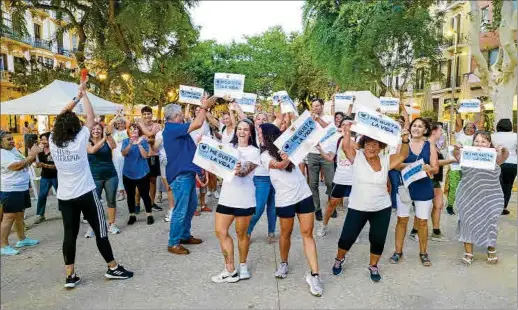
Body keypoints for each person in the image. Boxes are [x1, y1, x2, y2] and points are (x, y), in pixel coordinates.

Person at [49, 84, 133, 288]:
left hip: (65, 196)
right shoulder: (79, 139)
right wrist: (83, 96)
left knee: (69, 234)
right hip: (85, 192)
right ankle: (113, 267)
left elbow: (62, 115)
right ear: (74, 127)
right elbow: (91, 116)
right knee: (101, 229)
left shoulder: (52, 140)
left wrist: (75, 99)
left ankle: (70, 276)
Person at [331, 123, 410, 282]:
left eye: (375, 144)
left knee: (378, 239)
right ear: (363, 145)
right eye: (368, 144)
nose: (371, 148)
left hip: (381, 208)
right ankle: (339, 259)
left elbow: (402, 155)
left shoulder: (386, 159)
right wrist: (347, 132)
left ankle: (373, 265)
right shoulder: (357, 157)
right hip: (358, 207)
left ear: (380, 147)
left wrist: (405, 140)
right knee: (347, 238)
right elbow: (346, 148)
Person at [258, 123, 322, 297]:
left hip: (303, 195)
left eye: (261, 133)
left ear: (269, 135)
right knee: (285, 233)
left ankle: (315, 275)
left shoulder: (288, 147)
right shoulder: (263, 155)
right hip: (285, 199)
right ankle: (284, 263)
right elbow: (279, 166)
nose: (259, 136)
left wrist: (301, 147)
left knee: (307, 233)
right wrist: (288, 158)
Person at [163, 96, 215, 255]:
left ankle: (184, 235)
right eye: (180, 114)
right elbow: (198, 123)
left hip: (187, 174)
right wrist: (204, 107)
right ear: (175, 116)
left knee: (191, 206)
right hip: (180, 176)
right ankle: (173, 242)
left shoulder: (175, 128)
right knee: (181, 209)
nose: (182, 116)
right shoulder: (172, 128)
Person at [211, 118, 260, 283]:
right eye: (240, 128)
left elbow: (245, 171)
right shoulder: (228, 147)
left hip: (244, 199)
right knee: (220, 231)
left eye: (246, 129)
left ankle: (243, 265)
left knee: (241, 234)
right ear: (235, 131)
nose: (242, 131)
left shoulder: (254, 151)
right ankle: (230, 269)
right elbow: (215, 162)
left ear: (250, 133)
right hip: (226, 197)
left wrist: (238, 170)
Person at [452, 131, 508, 265]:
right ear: (472, 143)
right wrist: (456, 149)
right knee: (467, 221)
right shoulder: (467, 155)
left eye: (483, 141)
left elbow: (504, 156)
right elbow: (456, 155)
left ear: (489, 144)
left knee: (491, 222)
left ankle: (491, 248)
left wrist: (503, 149)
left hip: (491, 196)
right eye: (476, 141)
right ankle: (469, 252)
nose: (480, 144)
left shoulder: (495, 157)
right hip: (467, 195)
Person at [389, 118, 438, 267]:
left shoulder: (430, 145)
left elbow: (435, 168)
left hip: (423, 187)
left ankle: (423, 253)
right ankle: (398, 252)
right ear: (410, 128)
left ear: (425, 130)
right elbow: (395, 165)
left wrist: (430, 168)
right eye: (414, 125)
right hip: (405, 187)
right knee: (402, 220)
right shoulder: (402, 144)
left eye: (420, 126)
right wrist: (415, 166)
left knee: (422, 222)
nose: (416, 128)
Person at [0, 130, 41, 256]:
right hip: (11, 189)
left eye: (12, 138)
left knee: (19, 214)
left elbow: (24, 163)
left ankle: (22, 239)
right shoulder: (2, 154)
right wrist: (32, 155)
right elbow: (17, 166)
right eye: (8, 139)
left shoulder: (12, 150)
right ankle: (3, 245)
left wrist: (30, 156)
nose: (12, 141)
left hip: (20, 187)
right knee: (9, 217)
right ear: (1, 143)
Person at [315, 118, 354, 237]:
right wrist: (320, 150)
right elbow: (330, 157)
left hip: (356, 179)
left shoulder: (359, 140)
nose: (346, 127)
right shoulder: (337, 141)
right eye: (343, 125)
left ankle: (353, 231)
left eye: (349, 125)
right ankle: (324, 225)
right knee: (332, 203)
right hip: (340, 178)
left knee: (354, 207)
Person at [445, 104, 485, 215]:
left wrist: (481, 112)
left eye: (472, 127)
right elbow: (458, 122)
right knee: (454, 186)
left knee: (468, 188)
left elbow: (481, 125)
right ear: (464, 128)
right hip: (456, 165)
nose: (470, 129)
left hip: (469, 167)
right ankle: (450, 205)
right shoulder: (459, 134)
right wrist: (457, 112)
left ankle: (465, 206)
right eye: (468, 127)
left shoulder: (476, 137)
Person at [85, 122, 121, 237]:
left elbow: (114, 146)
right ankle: (93, 226)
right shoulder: (87, 142)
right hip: (94, 177)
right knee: (94, 203)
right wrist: (103, 139)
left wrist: (108, 135)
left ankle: (111, 224)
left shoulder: (107, 139)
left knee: (111, 200)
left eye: (98, 129)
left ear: (102, 130)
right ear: (90, 131)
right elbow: (92, 151)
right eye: (93, 129)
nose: (96, 131)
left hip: (110, 175)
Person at [247, 112, 277, 243]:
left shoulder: (272, 136)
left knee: (273, 207)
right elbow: (242, 118)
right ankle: (247, 230)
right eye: (258, 119)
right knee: (258, 208)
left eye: (264, 119)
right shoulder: (252, 136)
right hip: (260, 178)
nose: (261, 121)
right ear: (254, 121)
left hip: (275, 176)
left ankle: (271, 232)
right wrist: (234, 106)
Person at [307, 99, 335, 221]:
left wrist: (318, 119)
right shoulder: (308, 119)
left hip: (326, 153)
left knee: (330, 182)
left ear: (322, 106)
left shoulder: (329, 117)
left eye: (317, 106)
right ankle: (316, 209)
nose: (315, 108)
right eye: (313, 106)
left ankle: (331, 207)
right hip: (312, 153)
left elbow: (330, 130)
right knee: (313, 184)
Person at [427, 122, 456, 242]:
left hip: (436, 179)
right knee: (424, 207)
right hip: (429, 178)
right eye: (440, 131)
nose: (441, 133)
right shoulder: (428, 145)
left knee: (439, 205)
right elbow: (434, 163)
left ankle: (436, 231)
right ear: (433, 132)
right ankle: (416, 230)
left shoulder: (435, 145)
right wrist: (450, 161)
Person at [121, 123, 154, 225]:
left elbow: (145, 156)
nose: (133, 131)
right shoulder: (125, 141)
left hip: (142, 173)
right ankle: (132, 215)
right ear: (128, 132)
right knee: (130, 196)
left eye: (135, 130)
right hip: (128, 173)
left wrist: (139, 144)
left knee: (145, 195)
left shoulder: (143, 141)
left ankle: (149, 214)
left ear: (139, 131)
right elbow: (124, 153)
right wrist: (131, 144)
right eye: (131, 130)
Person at [138, 106, 162, 212]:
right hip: (141, 156)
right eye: (145, 114)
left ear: (152, 114)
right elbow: (150, 135)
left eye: (149, 114)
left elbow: (153, 135)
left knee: (153, 181)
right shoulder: (138, 125)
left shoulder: (157, 125)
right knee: (140, 181)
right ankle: (137, 204)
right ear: (142, 115)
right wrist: (150, 135)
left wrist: (147, 135)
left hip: (154, 156)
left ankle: (152, 203)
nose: (147, 116)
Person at [491, 118, 517, 215]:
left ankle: (493, 205)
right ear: (510, 126)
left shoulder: (492, 136)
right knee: (507, 186)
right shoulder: (515, 136)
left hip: (496, 162)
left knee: (495, 185)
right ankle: (503, 207)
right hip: (512, 163)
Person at [34, 132, 58, 224]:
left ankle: (65, 213)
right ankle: (40, 215)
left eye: (45, 139)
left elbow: (58, 166)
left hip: (57, 177)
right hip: (45, 176)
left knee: (61, 196)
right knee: (42, 196)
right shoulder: (40, 151)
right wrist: (37, 164)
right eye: (41, 139)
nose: (43, 141)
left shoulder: (56, 150)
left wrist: (44, 165)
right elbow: (36, 162)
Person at [153, 129, 175, 222]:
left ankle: (176, 209)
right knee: (169, 187)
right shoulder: (160, 133)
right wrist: (162, 138)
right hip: (165, 161)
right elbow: (155, 148)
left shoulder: (178, 130)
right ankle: (172, 209)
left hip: (176, 160)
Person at [109, 113, 129, 201]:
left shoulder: (127, 131)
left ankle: (127, 190)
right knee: (118, 173)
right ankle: (121, 191)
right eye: (118, 123)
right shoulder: (114, 132)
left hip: (126, 155)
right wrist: (116, 116)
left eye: (122, 123)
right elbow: (110, 124)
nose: (120, 125)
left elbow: (129, 122)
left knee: (125, 173)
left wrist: (122, 116)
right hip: (116, 156)